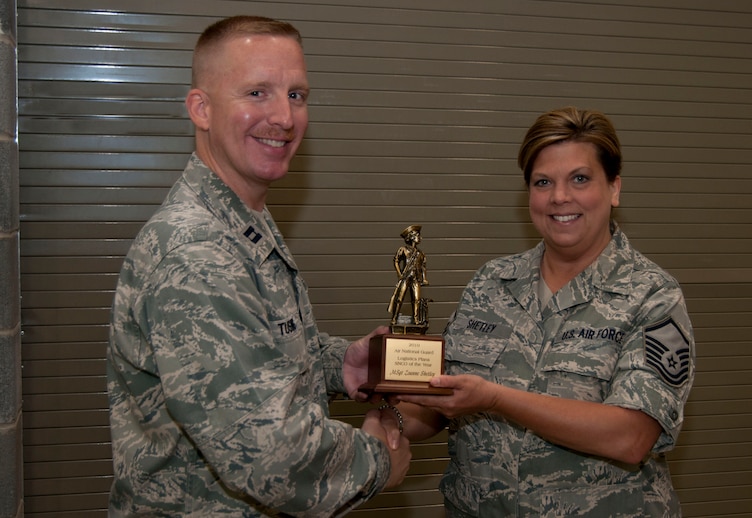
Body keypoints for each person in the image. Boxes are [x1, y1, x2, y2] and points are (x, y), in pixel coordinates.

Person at [106, 15, 410, 517]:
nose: (285, 118)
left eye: (296, 95)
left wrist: (340, 364)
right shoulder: (197, 253)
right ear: (200, 109)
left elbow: (261, 354)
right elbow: (269, 455)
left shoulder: (242, 219)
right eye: (257, 93)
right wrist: (379, 460)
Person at [394, 107, 695, 517]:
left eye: (580, 179)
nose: (559, 197)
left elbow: (631, 435)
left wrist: (497, 398)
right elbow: (441, 405)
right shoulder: (491, 283)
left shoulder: (652, 296)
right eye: (543, 182)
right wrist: (389, 413)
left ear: (615, 188)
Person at [388, 225, 429, 326]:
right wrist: (399, 274)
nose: (420, 238)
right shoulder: (403, 249)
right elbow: (396, 260)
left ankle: (416, 319)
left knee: (417, 299)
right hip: (406, 277)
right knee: (399, 298)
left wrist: (424, 279)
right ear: (411, 237)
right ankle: (394, 318)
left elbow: (423, 267)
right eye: (418, 235)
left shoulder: (420, 253)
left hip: (416, 279)